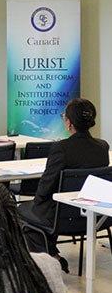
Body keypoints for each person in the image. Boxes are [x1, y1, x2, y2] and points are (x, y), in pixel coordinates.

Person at [18, 98, 109, 272]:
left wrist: (37, 202)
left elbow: (46, 186)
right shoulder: (102, 147)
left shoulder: (61, 148)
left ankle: (51, 256)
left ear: (69, 122)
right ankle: (52, 254)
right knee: (41, 212)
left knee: (23, 212)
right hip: (95, 217)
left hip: (62, 218)